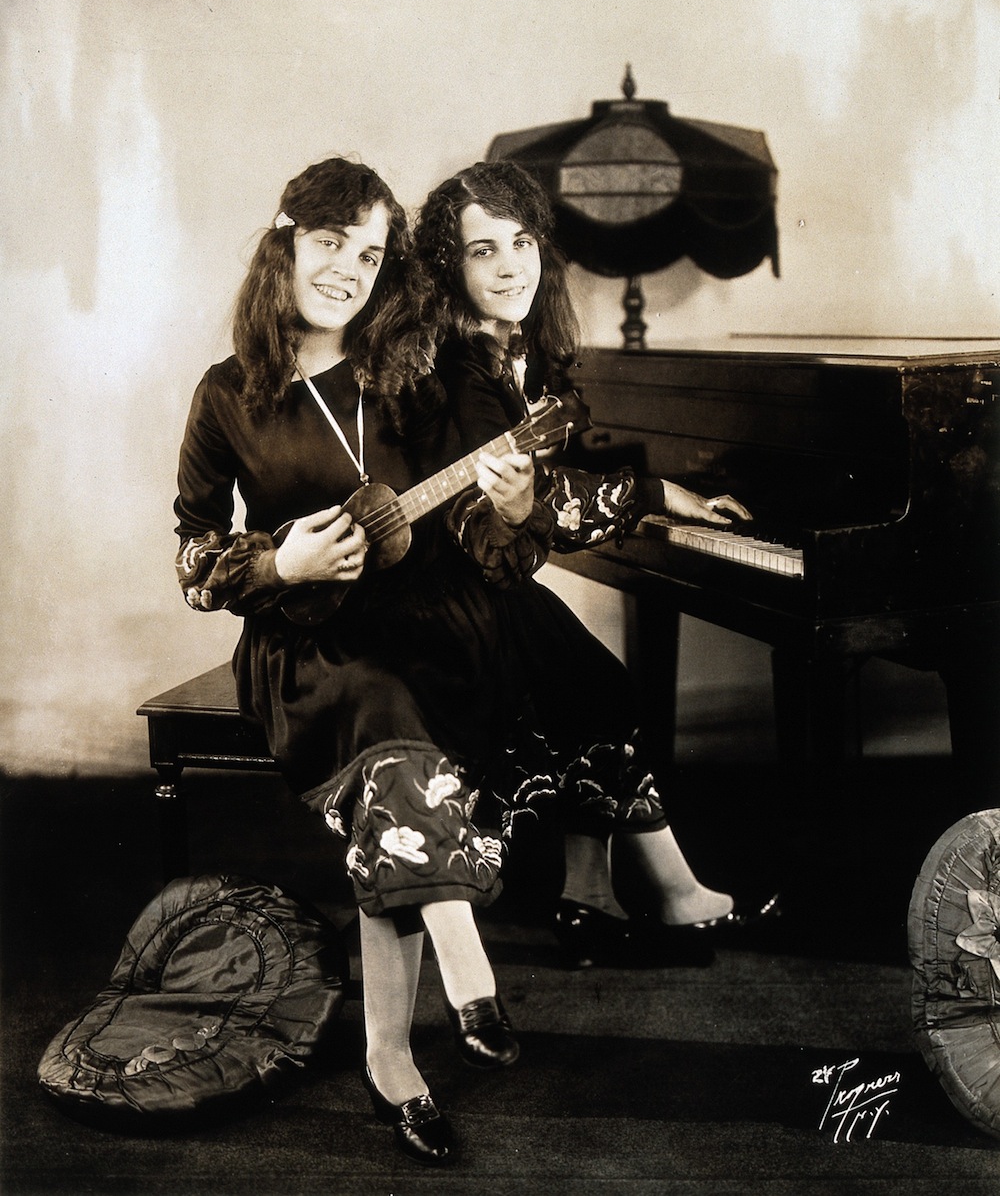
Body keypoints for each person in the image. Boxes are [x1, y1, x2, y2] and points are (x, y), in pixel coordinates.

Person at [173, 157, 553, 1167]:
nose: (348, 267)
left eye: (371, 252)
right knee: (391, 736)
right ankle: (465, 972)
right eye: (331, 242)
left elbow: (479, 536)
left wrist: (510, 505)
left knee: (398, 763)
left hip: (408, 634)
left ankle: (392, 1057)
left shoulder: (412, 378)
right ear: (287, 242)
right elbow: (195, 559)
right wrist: (278, 559)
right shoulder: (225, 396)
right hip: (301, 648)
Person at [415, 159, 773, 969]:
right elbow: (537, 496)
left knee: (592, 684)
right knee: (596, 686)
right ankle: (652, 894)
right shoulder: (459, 367)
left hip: (488, 581)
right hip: (438, 595)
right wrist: (655, 494)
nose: (510, 265)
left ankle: (600, 896)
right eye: (482, 251)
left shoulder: (513, 350)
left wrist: (655, 491)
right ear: (449, 266)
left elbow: (556, 478)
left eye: (522, 241)